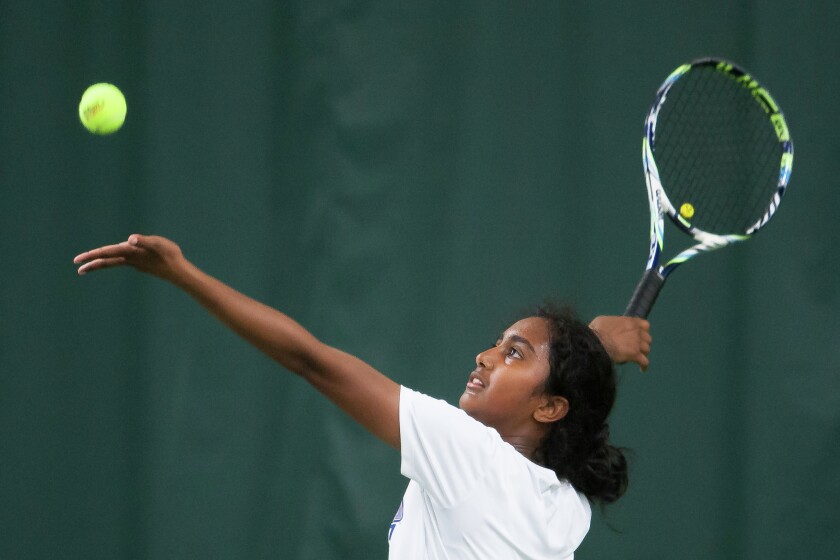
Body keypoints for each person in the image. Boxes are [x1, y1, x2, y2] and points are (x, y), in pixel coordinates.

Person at [74, 234, 651, 559]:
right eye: (497, 345)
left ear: (550, 408)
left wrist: (184, 275)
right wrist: (597, 344)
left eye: (514, 354)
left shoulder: (470, 456)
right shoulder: (565, 503)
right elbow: (575, 397)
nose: (485, 357)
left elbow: (310, 361)